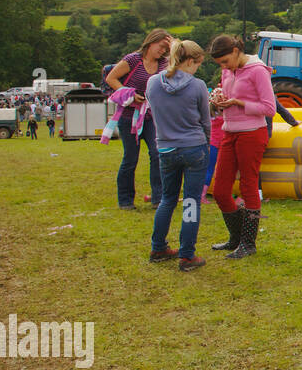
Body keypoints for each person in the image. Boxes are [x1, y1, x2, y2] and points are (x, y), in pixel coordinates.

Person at [145, 40, 212, 272]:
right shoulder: (198, 86)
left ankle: (158, 246)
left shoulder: (153, 83)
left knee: (167, 199)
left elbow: (154, 112)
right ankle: (186, 255)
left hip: (165, 148)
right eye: (198, 64)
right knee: (191, 201)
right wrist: (206, 143)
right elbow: (205, 121)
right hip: (194, 148)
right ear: (191, 61)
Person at [207, 35, 275, 259]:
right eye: (221, 65)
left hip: (252, 133)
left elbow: (269, 108)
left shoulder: (258, 70)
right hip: (229, 131)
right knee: (220, 190)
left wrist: (238, 103)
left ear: (236, 51)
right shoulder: (228, 71)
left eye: (226, 61)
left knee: (248, 186)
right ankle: (236, 238)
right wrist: (219, 96)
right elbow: (226, 90)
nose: (224, 67)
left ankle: (248, 242)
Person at [106, 29, 172, 208]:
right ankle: (125, 200)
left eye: (166, 48)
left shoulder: (164, 63)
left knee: (157, 154)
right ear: (151, 42)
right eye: (161, 46)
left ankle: (159, 198)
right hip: (129, 116)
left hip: (152, 116)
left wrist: (173, 47)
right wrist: (129, 94)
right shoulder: (133, 60)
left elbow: (177, 73)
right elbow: (111, 78)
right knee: (130, 157)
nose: (163, 51)